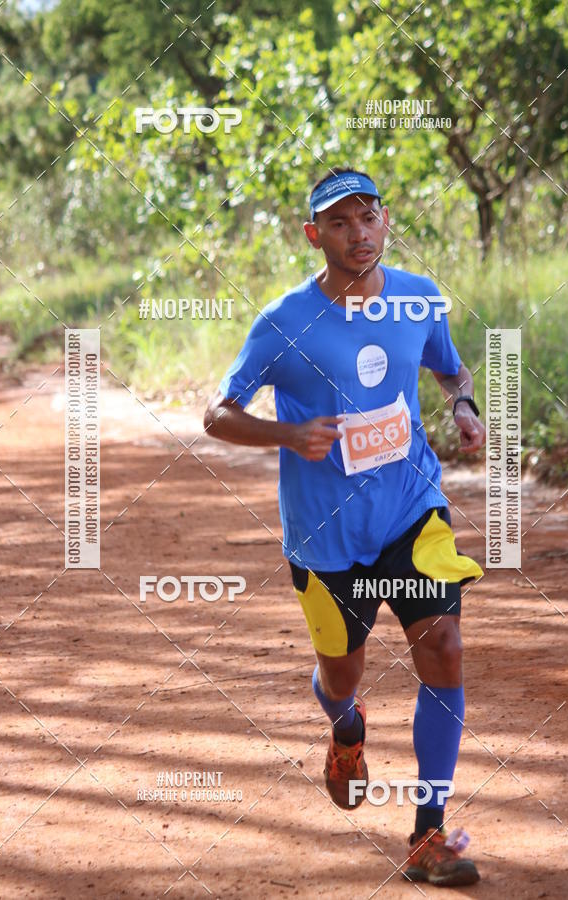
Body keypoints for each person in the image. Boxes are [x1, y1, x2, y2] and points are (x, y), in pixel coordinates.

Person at [204, 167, 485, 886]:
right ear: (314, 235)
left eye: (368, 217)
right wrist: (287, 435)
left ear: (385, 220)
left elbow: (450, 370)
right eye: (339, 222)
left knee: (445, 648)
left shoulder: (419, 298)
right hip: (325, 536)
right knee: (342, 674)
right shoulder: (283, 322)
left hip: (411, 511)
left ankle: (428, 833)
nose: (358, 233)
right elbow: (217, 415)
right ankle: (346, 724)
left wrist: (462, 407)